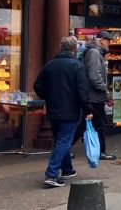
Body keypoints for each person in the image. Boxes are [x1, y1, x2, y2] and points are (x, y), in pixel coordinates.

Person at [33, 36, 92, 188]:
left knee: (61, 139)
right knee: (63, 140)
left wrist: (49, 97)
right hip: (70, 110)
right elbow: (83, 90)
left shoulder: (50, 65)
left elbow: (38, 86)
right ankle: (51, 174)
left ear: (61, 47)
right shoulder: (77, 66)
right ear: (74, 49)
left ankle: (67, 169)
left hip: (53, 110)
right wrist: (88, 109)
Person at [72, 31, 116, 161]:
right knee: (99, 124)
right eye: (108, 41)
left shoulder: (95, 52)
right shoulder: (94, 53)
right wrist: (106, 92)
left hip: (94, 97)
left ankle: (64, 148)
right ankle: (101, 152)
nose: (109, 44)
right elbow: (94, 77)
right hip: (94, 97)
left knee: (86, 125)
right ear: (101, 40)